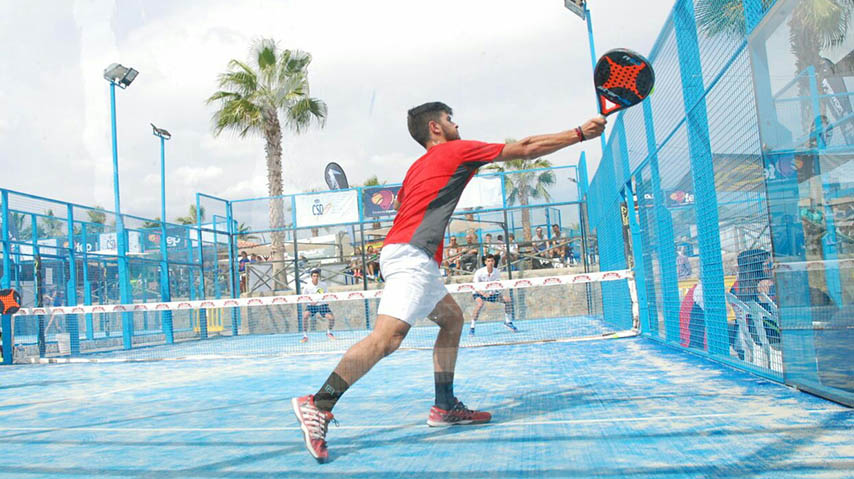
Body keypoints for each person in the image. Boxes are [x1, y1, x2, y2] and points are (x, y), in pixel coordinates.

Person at [291, 101, 606, 463]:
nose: (457, 124)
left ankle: (444, 406)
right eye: (450, 119)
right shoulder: (457, 149)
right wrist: (579, 134)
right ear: (436, 128)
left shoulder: (415, 168)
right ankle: (318, 403)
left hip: (408, 253)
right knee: (386, 339)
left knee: (452, 319)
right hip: (412, 256)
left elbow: (407, 211)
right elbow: (527, 147)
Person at [469, 254, 517, 335]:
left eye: (492, 261)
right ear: (485, 262)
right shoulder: (479, 272)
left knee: (508, 300)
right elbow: (475, 287)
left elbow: (497, 285)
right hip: (479, 292)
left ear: (494, 262)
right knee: (480, 304)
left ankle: (508, 322)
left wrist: (492, 292)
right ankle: (472, 327)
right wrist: (483, 293)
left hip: (491, 293)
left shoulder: (496, 272)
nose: (490, 263)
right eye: (488, 261)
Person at [300, 268, 336, 343]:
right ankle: (305, 336)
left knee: (331, 318)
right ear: (311, 277)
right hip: (311, 306)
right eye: (314, 276)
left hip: (322, 305)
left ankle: (329, 332)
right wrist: (310, 302)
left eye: (317, 276)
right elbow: (304, 297)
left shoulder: (323, 285)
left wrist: (326, 300)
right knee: (305, 316)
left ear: (318, 277)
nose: (315, 277)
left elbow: (326, 294)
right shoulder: (307, 286)